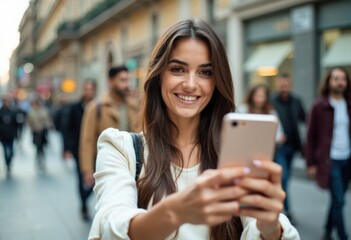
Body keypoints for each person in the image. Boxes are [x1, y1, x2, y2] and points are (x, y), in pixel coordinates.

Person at [88, 19, 299, 240]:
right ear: (159, 75)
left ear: (217, 82)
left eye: (205, 72)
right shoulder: (122, 148)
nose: (190, 84)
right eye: (178, 69)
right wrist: (177, 211)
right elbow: (110, 226)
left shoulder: (234, 154)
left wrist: (270, 226)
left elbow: (262, 225)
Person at [306, 67, 351, 240]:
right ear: (329, 82)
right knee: (339, 200)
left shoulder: (349, 104)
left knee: (336, 199)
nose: (340, 82)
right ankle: (343, 236)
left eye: (343, 79)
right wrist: (310, 163)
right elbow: (310, 137)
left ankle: (327, 230)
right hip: (329, 161)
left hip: (347, 159)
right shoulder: (319, 106)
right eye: (336, 78)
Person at [79, 65, 139, 189]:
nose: (126, 84)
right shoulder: (96, 107)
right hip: (108, 166)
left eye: (127, 80)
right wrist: (87, 170)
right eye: (122, 80)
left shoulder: (134, 105)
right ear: (111, 81)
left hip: (132, 166)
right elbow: (87, 140)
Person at [271, 73, 306, 222]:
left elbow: (305, 118)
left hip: (293, 147)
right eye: (282, 85)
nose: (284, 87)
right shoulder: (271, 101)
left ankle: (281, 208)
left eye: (287, 85)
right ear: (277, 85)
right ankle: (285, 211)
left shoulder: (296, 101)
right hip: (278, 147)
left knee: (286, 178)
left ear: (290, 85)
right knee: (283, 177)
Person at [64, 80, 96, 221]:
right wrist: (66, 149)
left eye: (91, 89)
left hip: (95, 152)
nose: (88, 92)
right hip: (78, 150)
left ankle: (86, 199)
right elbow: (67, 129)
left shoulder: (98, 107)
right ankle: (83, 204)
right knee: (81, 178)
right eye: (86, 89)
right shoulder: (75, 107)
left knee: (95, 181)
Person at [27, 97, 52, 171]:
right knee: (38, 147)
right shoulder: (31, 112)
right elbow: (30, 122)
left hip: (43, 132)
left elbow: (48, 120)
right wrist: (34, 128)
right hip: (36, 132)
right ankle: (38, 160)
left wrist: (47, 126)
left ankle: (43, 161)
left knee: (42, 147)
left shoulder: (44, 110)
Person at [0, 95, 17, 178]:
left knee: (11, 151)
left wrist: (16, 134)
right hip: (3, 136)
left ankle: (9, 163)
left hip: (11, 135)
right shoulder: (0, 112)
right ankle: (7, 164)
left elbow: (15, 124)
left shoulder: (12, 112)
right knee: (5, 151)